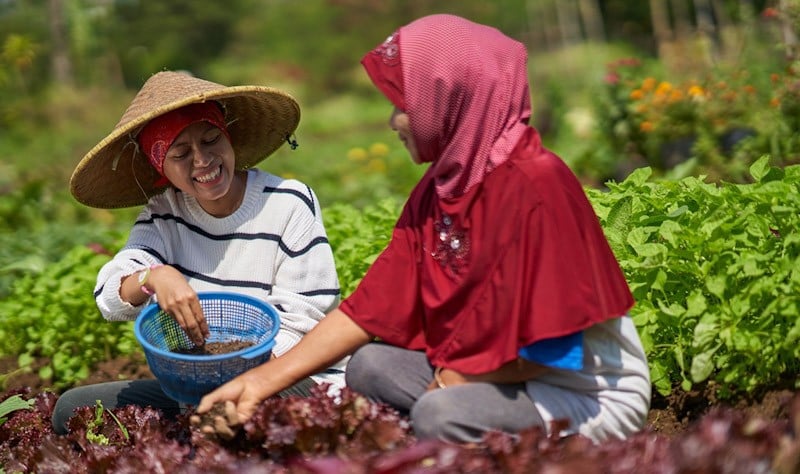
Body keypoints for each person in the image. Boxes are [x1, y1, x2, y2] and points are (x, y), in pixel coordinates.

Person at [198, 14, 651, 444]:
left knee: (440, 414)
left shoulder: (537, 184)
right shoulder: (441, 189)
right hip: (491, 379)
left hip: (582, 393)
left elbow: (553, 349)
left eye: (402, 104)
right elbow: (365, 313)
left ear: (448, 98)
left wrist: (454, 380)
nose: (392, 121)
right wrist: (257, 383)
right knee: (370, 367)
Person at [52, 71, 345, 435]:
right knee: (73, 408)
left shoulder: (288, 203)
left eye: (211, 140)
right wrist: (152, 278)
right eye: (181, 154)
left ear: (229, 137)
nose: (203, 160)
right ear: (161, 167)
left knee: (237, 422)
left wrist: (228, 373)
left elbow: (303, 323)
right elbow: (109, 297)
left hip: (289, 378)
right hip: (200, 386)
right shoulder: (165, 213)